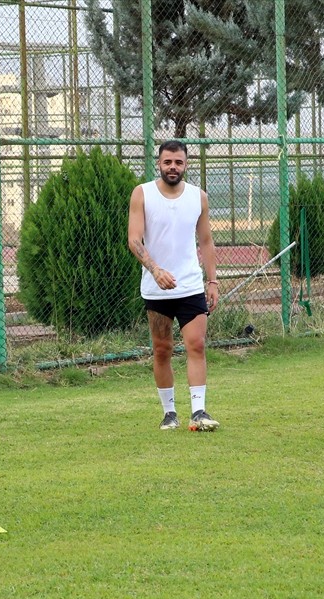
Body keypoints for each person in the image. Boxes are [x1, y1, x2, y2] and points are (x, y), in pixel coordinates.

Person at [127, 140, 220, 432]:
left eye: (178, 162)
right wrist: (155, 270)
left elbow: (206, 241)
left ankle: (199, 411)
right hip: (157, 289)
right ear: (159, 163)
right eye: (168, 162)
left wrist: (213, 280)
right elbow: (134, 239)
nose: (173, 167)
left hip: (190, 286)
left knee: (197, 345)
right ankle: (169, 413)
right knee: (162, 349)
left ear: (186, 164)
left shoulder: (198, 197)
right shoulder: (142, 194)